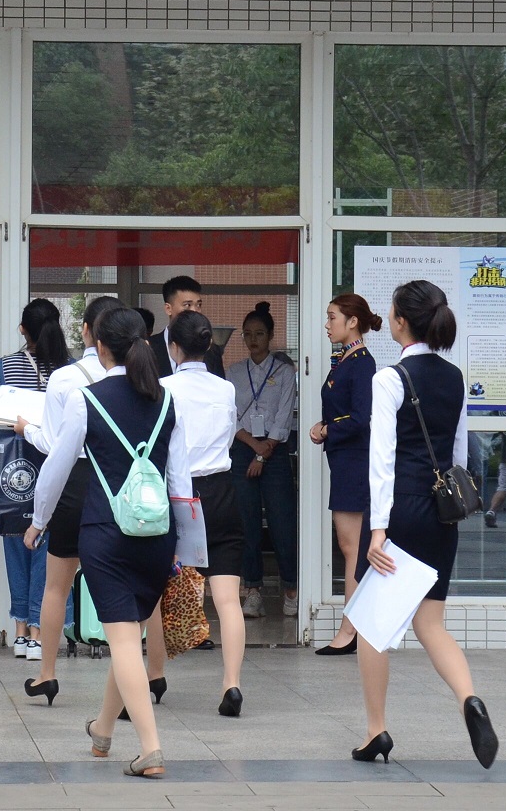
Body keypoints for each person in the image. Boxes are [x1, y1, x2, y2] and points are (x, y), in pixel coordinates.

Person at [27, 306, 191, 778]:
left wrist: (38, 521)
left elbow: (57, 468)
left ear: (100, 346)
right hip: (157, 535)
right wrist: (186, 546)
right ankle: (103, 728)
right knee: (130, 635)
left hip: (107, 533)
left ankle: (151, 748)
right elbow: (180, 482)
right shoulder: (166, 399)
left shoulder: (87, 399)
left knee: (122, 640)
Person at [353, 280, 498, 769]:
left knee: (373, 625)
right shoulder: (455, 377)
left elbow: (381, 461)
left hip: (400, 511)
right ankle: (469, 699)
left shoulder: (390, 379)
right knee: (431, 623)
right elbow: (458, 454)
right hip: (441, 511)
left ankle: (376, 731)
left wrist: (377, 529)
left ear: (400, 321)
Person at [16, 294, 124, 704]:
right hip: (117, 483)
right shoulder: (142, 380)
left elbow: (54, 447)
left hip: (75, 484)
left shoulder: (65, 379)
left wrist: (26, 429)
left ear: (87, 331)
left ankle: (47, 673)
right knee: (125, 586)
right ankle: (147, 672)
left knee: (56, 586)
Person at [161, 310, 246, 714]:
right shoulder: (225, 389)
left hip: (178, 495)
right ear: (209, 344)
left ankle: (153, 675)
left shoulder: (163, 388)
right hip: (222, 490)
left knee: (159, 592)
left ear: (173, 347)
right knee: (227, 599)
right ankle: (231, 684)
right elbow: (228, 437)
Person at [0, 300, 69, 660]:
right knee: (47, 550)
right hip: (55, 467)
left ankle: (21, 631)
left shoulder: (6, 366)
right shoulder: (68, 369)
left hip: (15, 470)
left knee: (15, 545)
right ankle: (39, 633)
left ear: (23, 329)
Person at [310, 292, 379, 654]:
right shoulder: (346, 360)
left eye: (332, 317)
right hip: (345, 461)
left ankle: (350, 630)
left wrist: (327, 429)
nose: (327, 324)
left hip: (355, 462)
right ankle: (353, 627)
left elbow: (361, 418)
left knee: (353, 548)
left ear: (352, 321)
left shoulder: (362, 363)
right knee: (350, 547)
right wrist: (325, 426)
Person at [226, 301, 299, 621]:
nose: (253, 339)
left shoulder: (284, 372)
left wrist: (263, 450)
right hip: (243, 449)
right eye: (248, 334)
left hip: (275, 450)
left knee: (283, 522)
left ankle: (291, 588)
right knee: (247, 523)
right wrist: (253, 447)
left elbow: (284, 416)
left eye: (259, 333)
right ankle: (253, 589)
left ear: (270, 336)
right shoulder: (234, 372)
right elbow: (230, 417)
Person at [148, 276, 224, 377]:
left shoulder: (211, 350)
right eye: (187, 305)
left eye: (198, 305)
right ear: (168, 309)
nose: (194, 311)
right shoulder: (148, 348)